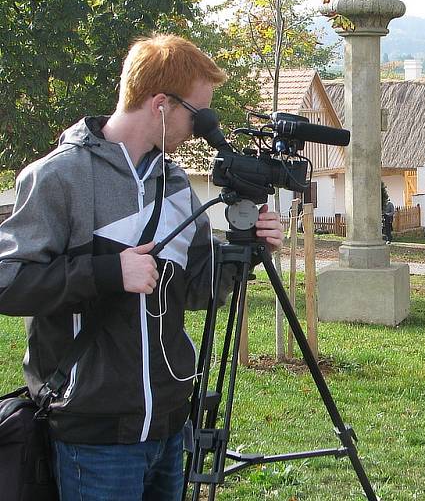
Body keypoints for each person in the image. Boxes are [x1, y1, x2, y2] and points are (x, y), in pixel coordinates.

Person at [0, 34, 284, 501]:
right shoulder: (59, 177)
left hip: (172, 427)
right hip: (95, 435)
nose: (200, 128)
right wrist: (109, 272)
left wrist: (245, 249)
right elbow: (9, 283)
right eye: (197, 114)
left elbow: (196, 291)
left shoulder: (172, 183)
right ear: (159, 104)